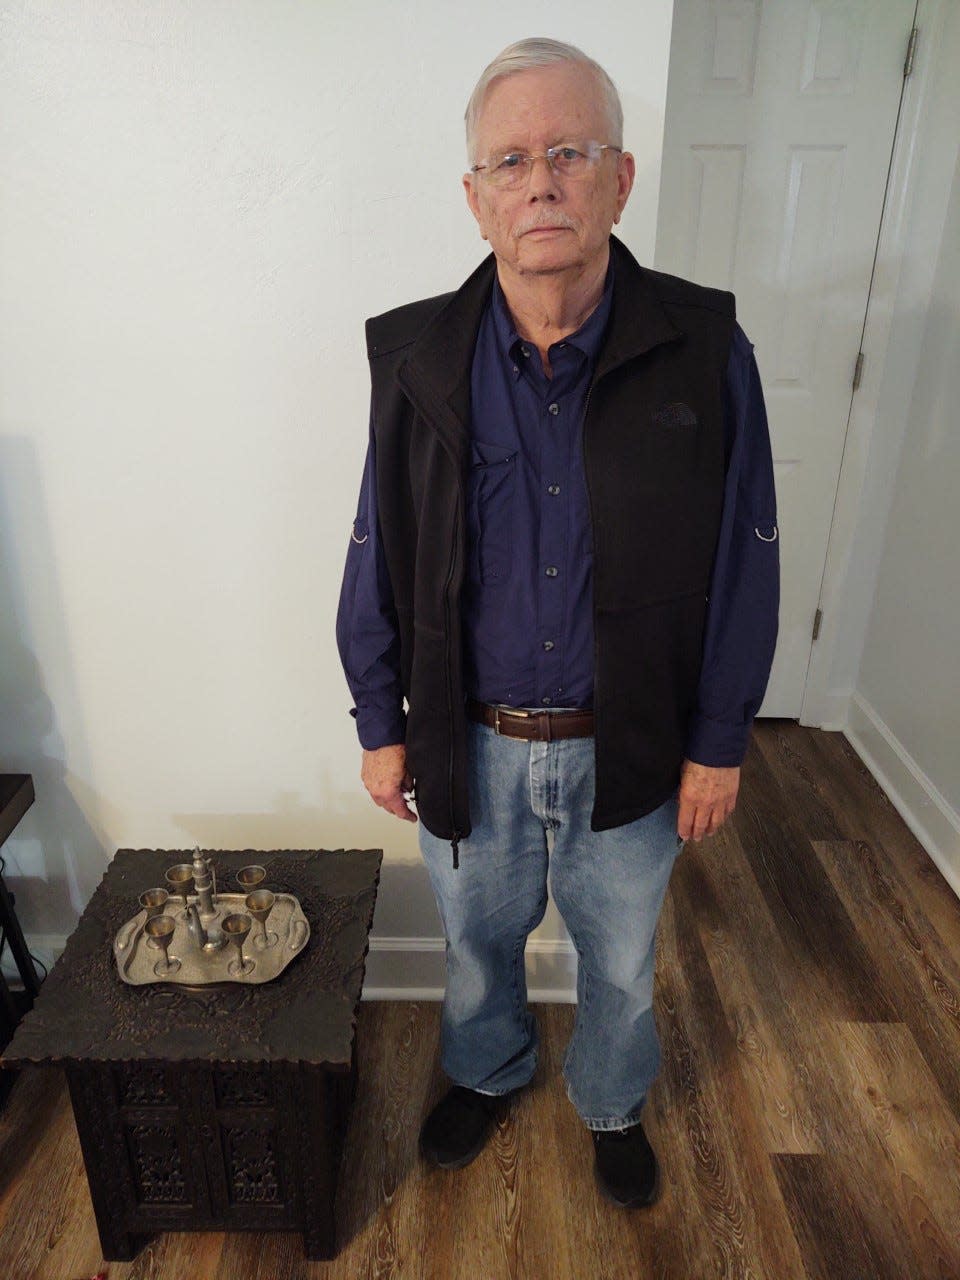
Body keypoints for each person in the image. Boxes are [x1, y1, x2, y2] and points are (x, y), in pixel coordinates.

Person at [336, 37, 779, 1209]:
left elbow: (748, 556)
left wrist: (721, 737)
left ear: (619, 179)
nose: (542, 181)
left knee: (621, 965)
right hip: (465, 738)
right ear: (476, 198)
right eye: (512, 160)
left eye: (570, 153)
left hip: (630, 740)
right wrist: (380, 718)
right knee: (476, 948)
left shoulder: (706, 347)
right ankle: (485, 1071)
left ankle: (611, 1100)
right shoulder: (415, 358)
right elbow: (376, 542)